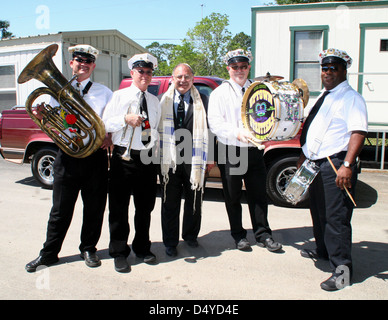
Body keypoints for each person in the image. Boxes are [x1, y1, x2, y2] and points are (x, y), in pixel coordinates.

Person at [25, 45, 113, 272]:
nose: (82, 64)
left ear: (93, 66)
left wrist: (110, 135)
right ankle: (49, 253)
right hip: (67, 158)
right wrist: (42, 116)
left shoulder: (104, 92)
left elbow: (111, 121)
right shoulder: (56, 91)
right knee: (59, 211)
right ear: (71, 63)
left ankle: (88, 249)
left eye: (87, 62)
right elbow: (57, 123)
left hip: (95, 158)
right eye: (78, 60)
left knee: (94, 209)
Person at [298, 48, 368, 291]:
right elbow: (314, 130)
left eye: (333, 68)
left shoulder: (351, 98)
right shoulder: (325, 96)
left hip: (334, 164)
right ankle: (323, 251)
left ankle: (342, 272)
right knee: (318, 212)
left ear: (343, 70)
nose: (327, 72)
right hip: (314, 163)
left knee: (335, 219)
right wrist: (303, 155)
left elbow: (358, 132)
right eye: (324, 68)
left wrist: (347, 165)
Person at [208, 49, 282, 252]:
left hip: (253, 150)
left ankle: (263, 234)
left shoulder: (260, 90)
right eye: (235, 67)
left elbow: (267, 115)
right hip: (230, 149)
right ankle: (238, 235)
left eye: (243, 66)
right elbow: (215, 123)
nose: (239, 70)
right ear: (228, 68)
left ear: (249, 67)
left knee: (258, 195)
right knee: (232, 197)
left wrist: (268, 131)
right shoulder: (219, 93)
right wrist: (237, 133)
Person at [102, 53, 160, 273]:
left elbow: (155, 129)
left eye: (148, 72)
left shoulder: (154, 100)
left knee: (145, 208)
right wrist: (125, 119)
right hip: (123, 157)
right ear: (132, 72)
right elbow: (105, 122)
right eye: (140, 71)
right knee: (119, 207)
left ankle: (142, 248)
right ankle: (118, 252)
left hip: (146, 157)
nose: (144, 75)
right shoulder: (119, 96)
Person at [158, 63, 209, 257]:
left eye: (187, 77)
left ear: (192, 79)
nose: (183, 80)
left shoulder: (203, 100)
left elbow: (209, 129)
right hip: (168, 159)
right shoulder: (162, 100)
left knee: (194, 199)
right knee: (169, 203)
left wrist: (209, 157)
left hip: (194, 158)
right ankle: (170, 242)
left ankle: (190, 235)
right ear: (172, 78)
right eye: (179, 76)